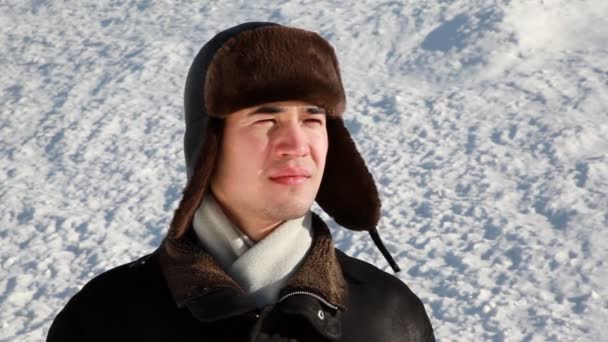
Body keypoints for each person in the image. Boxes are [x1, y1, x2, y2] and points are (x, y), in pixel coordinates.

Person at [47, 22, 435, 342]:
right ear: (208, 146)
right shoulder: (105, 319)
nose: (297, 145)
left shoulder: (390, 316)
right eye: (266, 119)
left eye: (313, 119)